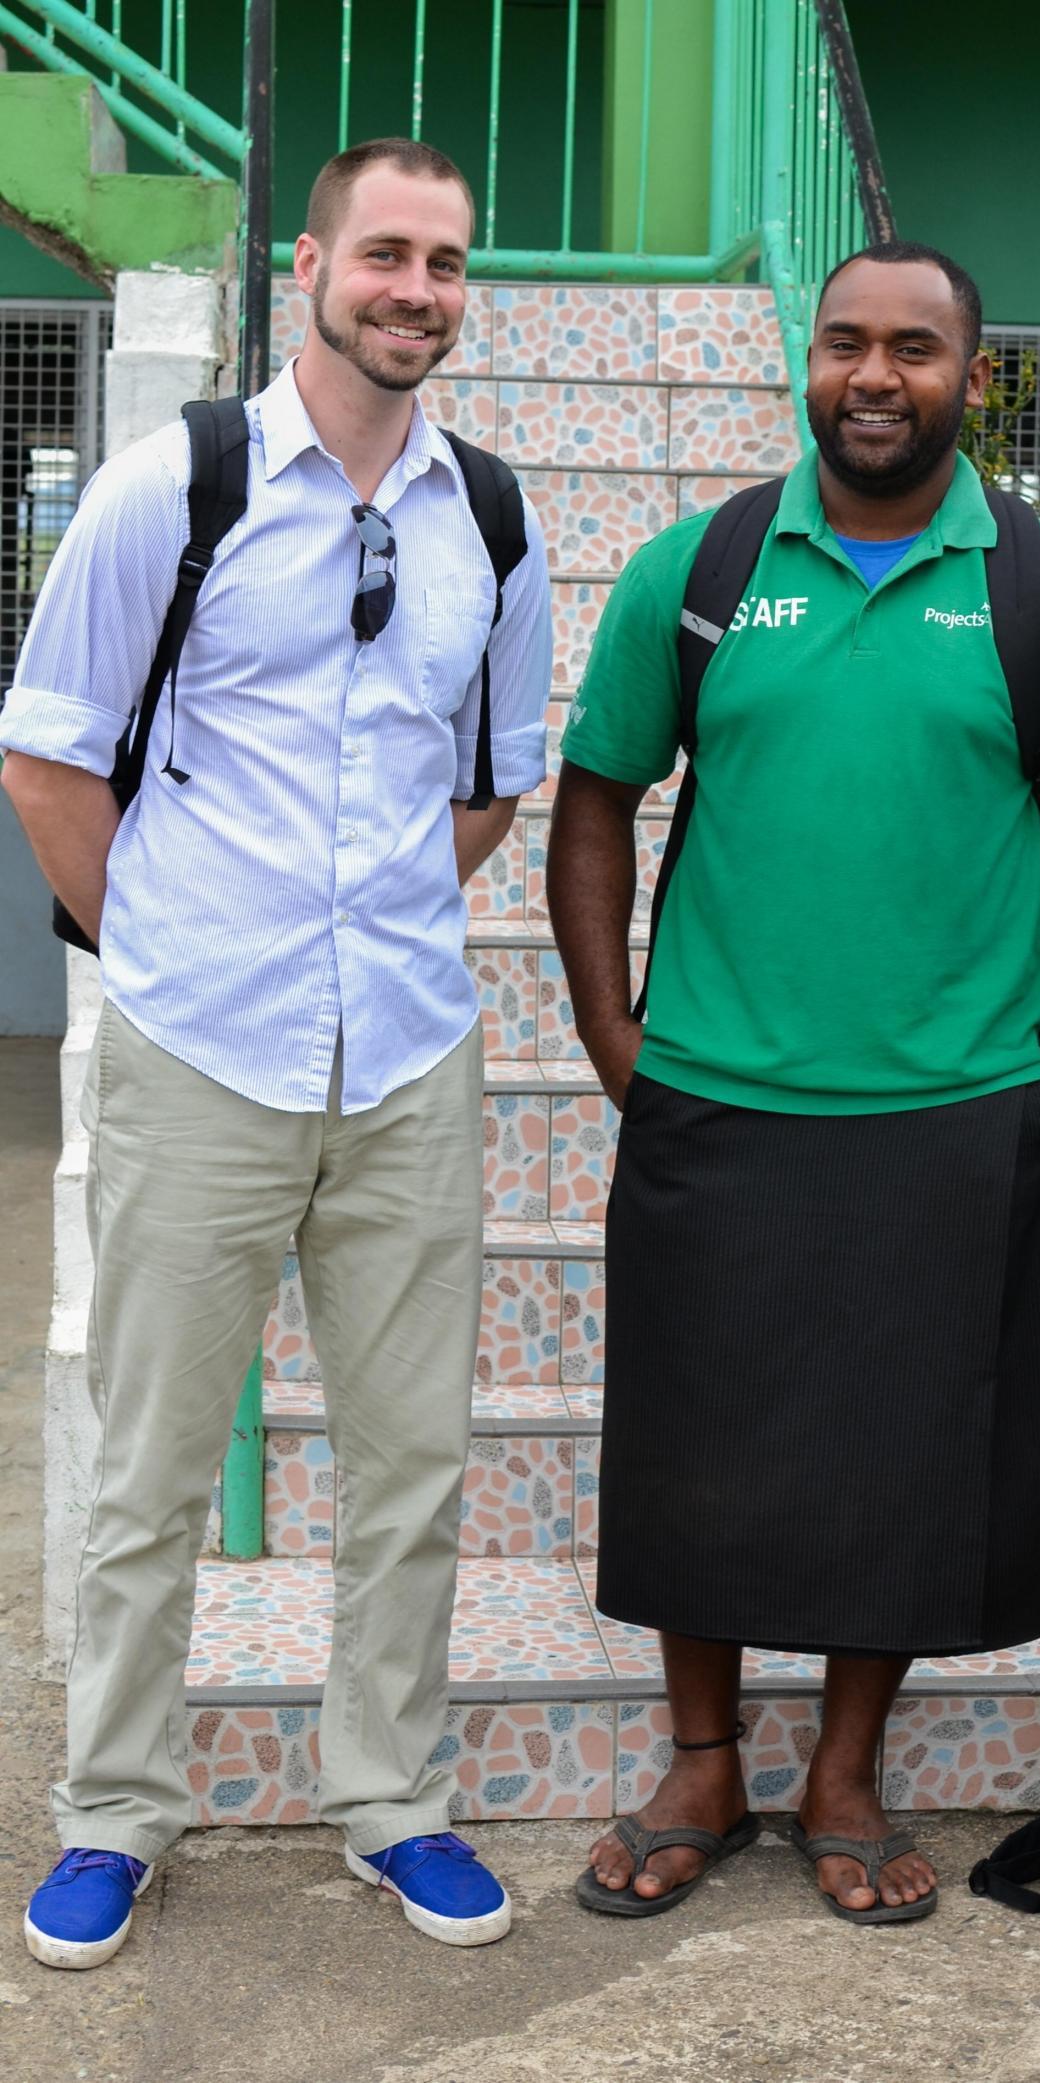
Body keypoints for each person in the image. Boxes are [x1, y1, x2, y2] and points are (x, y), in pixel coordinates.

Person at [548, 241, 1040, 1923]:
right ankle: (701, 1758)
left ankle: (843, 1771)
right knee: (695, 1450)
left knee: (905, 1458)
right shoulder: (698, 571)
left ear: (972, 377)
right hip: (716, 1097)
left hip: (945, 1114)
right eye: (846, 344)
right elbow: (596, 800)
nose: (875, 376)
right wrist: (616, 1035)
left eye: (915, 348)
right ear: (808, 363)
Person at [2, 137, 552, 1968]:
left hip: (407, 1055)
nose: (416, 289)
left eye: (447, 263)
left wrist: (369, 924)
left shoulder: (492, 511)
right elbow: (49, 757)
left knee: (411, 1465)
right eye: (385, 253)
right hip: (198, 1049)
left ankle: (391, 1799)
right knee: (150, 1469)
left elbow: (481, 789)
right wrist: (152, 947)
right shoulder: (178, 485)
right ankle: (113, 1817)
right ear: (310, 261)